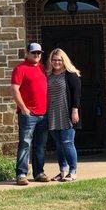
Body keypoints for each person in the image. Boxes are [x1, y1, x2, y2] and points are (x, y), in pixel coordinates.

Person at [11, 42, 50, 185]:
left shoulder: (42, 68)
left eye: (39, 53)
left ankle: (39, 172)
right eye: (34, 53)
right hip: (28, 114)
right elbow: (15, 90)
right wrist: (24, 108)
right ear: (27, 53)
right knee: (25, 144)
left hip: (43, 113)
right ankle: (21, 174)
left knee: (40, 145)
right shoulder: (20, 69)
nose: (37, 55)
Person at [47, 48, 81, 182]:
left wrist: (75, 110)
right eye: (54, 60)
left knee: (67, 143)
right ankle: (62, 171)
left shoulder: (71, 74)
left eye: (59, 60)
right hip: (52, 114)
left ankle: (73, 171)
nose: (56, 62)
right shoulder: (48, 75)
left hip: (66, 113)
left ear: (64, 60)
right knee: (59, 144)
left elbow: (76, 94)